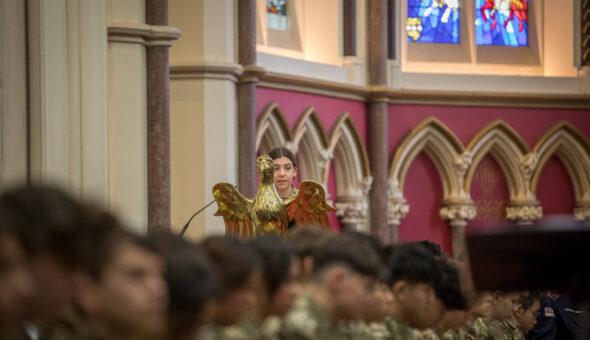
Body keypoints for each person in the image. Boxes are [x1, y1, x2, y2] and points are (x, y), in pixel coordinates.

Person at [281, 233, 380, 339]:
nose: (370, 299)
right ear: (337, 281)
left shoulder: (346, 324)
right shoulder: (297, 326)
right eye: (367, 287)